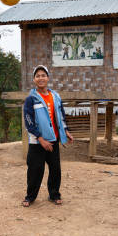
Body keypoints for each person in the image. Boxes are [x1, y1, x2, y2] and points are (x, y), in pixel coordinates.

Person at [22, 65, 73, 207]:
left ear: (48, 78)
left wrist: (66, 131)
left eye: (43, 75)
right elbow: (29, 121)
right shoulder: (31, 99)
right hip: (37, 142)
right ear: (34, 80)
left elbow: (60, 116)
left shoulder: (55, 97)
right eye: (37, 76)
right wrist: (40, 138)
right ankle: (30, 197)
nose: (40, 78)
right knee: (35, 171)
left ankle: (54, 195)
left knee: (55, 169)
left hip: (53, 140)